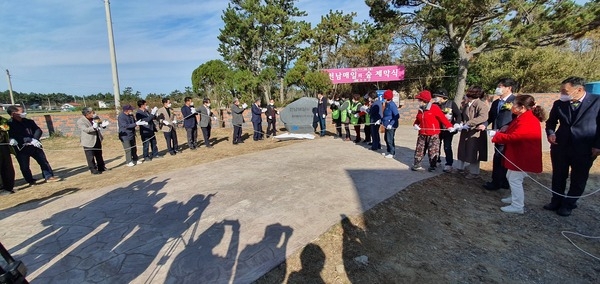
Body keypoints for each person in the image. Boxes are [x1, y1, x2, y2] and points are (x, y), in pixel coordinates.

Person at [544, 76, 600, 216]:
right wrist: (550, 133)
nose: (562, 93)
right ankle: (556, 200)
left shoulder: (597, 102)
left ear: (579, 90)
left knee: (578, 177)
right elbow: (551, 122)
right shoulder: (559, 104)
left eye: (565, 91)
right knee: (558, 175)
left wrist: (598, 145)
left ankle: (569, 204)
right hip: (560, 146)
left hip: (585, 147)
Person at [490, 95, 545, 214]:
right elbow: (514, 130)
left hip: (523, 155)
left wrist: (497, 136)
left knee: (515, 179)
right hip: (518, 153)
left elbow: (516, 136)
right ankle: (514, 197)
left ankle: (518, 205)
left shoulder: (528, 119)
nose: (512, 106)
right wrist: (504, 129)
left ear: (522, 107)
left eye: (515, 104)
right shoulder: (523, 116)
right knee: (510, 176)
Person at [6, 105, 59, 184]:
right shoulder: (9, 125)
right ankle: (30, 180)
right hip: (21, 149)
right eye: (22, 111)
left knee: (43, 161)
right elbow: (14, 136)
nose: (24, 113)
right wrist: (28, 140)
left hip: (35, 146)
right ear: (14, 114)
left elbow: (38, 130)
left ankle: (48, 176)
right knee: (24, 166)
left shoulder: (29, 121)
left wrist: (35, 139)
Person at [481, 78, 517, 190]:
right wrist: (485, 124)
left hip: (509, 134)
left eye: (500, 86)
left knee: (503, 157)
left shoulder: (515, 101)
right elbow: (491, 116)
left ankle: (499, 182)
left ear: (509, 88)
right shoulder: (496, 102)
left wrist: (509, 126)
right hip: (497, 134)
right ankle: (499, 180)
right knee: (498, 156)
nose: (498, 88)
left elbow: (518, 118)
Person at [412, 90, 453, 171]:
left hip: (433, 134)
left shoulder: (434, 108)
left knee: (433, 150)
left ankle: (433, 166)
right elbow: (418, 119)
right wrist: (416, 125)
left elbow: (443, 118)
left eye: (419, 100)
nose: (418, 102)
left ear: (424, 100)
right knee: (420, 149)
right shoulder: (420, 109)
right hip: (422, 133)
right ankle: (416, 164)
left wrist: (449, 126)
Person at [454, 86, 489, 179]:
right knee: (462, 149)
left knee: (473, 151)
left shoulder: (481, 105)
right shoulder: (467, 104)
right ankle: (459, 168)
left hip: (475, 132)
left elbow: (483, 117)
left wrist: (469, 123)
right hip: (466, 131)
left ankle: (474, 172)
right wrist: (459, 123)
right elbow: (462, 115)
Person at [433, 88, 462, 172]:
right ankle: (436, 161)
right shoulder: (434, 104)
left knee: (447, 146)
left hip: (448, 130)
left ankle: (449, 164)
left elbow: (458, 115)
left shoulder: (451, 104)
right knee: (436, 145)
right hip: (438, 129)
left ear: (443, 97)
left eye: (437, 96)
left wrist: (456, 124)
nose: (436, 98)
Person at [77, 107, 108, 175]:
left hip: (97, 138)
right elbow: (86, 130)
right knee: (90, 156)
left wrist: (103, 125)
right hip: (88, 140)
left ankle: (101, 167)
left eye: (93, 112)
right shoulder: (81, 121)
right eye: (91, 112)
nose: (93, 113)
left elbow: (100, 124)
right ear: (87, 114)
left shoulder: (95, 117)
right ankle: (93, 169)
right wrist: (94, 127)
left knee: (99, 154)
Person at [381, 90, 400, 158]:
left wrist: (391, 124)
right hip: (386, 125)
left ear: (387, 98)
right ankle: (389, 151)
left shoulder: (392, 105)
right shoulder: (387, 104)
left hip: (391, 125)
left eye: (384, 98)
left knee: (390, 139)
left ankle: (392, 153)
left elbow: (397, 116)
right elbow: (386, 115)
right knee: (386, 138)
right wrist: (381, 121)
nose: (383, 99)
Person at [0, 114, 15, 193]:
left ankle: (9, 187)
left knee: (7, 167)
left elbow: (7, 129)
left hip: (4, 146)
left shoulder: (3, 120)